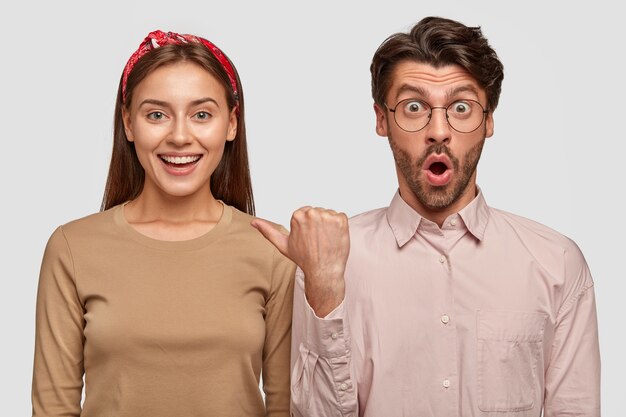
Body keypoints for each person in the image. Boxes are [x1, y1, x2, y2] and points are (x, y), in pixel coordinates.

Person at [252, 16, 601, 417]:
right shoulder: (328, 260)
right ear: (382, 119)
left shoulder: (555, 263)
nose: (439, 130)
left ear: (488, 120)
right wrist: (325, 287)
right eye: (414, 107)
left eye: (461, 107)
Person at [32, 30, 295, 417]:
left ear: (231, 124)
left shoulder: (272, 249)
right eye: (156, 114)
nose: (179, 136)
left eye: (201, 114)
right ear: (128, 123)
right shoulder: (72, 248)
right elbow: (53, 409)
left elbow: (286, 407)